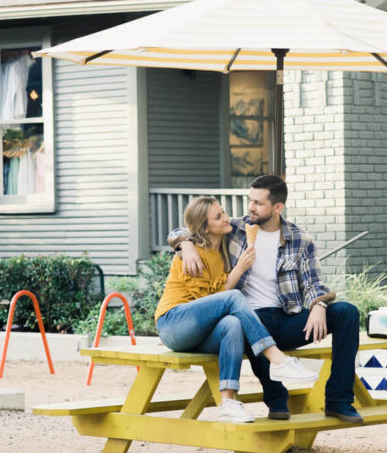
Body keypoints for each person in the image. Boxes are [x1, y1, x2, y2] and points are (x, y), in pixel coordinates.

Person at [171, 175, 363, 424]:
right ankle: (276, 400)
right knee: (248, 322)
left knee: (347, 312)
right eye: (250, 200)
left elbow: (315, 283)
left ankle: (339, 400)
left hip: (287, 318)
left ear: (277, 207)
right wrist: (185, 243)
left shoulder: (299, 239)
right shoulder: (235, 229)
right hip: (249, 318)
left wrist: (319, 305)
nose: (251, 207)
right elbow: (186, 228)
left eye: (258, 203)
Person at [155, 196, 309, 423]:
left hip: (201, 332)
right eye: (218, 217)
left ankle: (227, 402)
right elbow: (211, 300)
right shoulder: (190, 254)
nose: (227, 218)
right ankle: (276, 358)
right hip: (174, 323)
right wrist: (186, 244)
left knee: (232, 324)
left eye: (224, 212)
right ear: (205, 228)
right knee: (233, 297)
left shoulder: (226, 247)